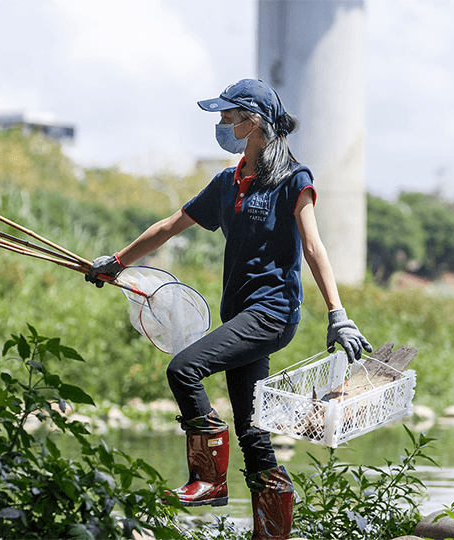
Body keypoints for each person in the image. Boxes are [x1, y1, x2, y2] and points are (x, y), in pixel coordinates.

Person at [87, 78, 371, 540]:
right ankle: (272, 534)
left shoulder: (293, 179)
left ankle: (209, 479)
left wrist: (338, 314)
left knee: (184, 369)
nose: (221, 124)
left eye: (227, 116)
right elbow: (169, 226)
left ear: (252, 121)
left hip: (272, 314)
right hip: (239, 316)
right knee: (252, 429)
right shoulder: (227, 182)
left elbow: (314, 248)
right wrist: (117, 262)